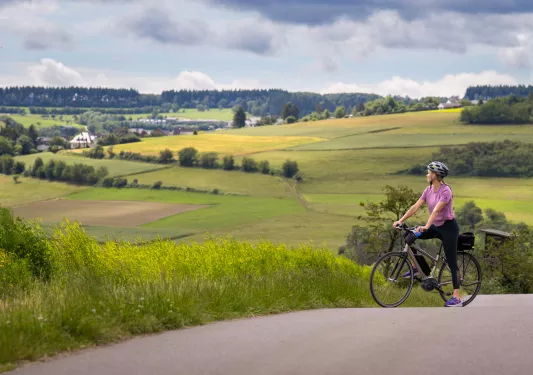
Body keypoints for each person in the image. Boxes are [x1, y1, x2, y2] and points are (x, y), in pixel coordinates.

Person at [393, 161, 462, 307]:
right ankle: (417, 268)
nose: (427, 174)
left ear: (435, 175)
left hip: (449, 228)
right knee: (409, 236)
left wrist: (426, 226)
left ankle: (456, 297)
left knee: (451, 261)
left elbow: (436, 210)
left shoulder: (446, 191)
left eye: (429, 172)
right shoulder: (428, 190)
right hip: (435, 226)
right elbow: (415, 207)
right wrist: (400, 220)